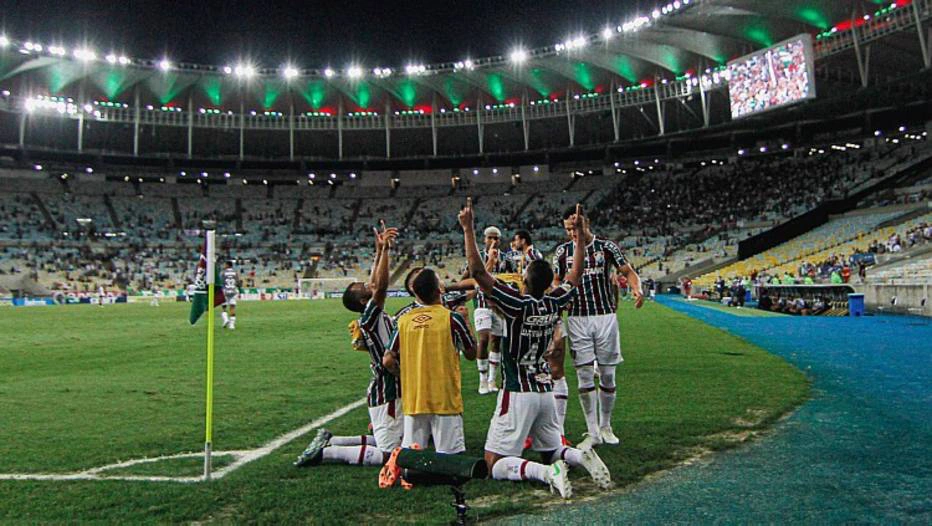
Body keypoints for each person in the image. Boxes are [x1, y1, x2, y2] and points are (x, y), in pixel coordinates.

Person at [461, 200, 611, 498]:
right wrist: (580, 239)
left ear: (526, 280)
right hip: (545, 391)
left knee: (494, 464)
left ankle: (548, 473)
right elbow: (575, 276)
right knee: (551, 448)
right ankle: (578, 457)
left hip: (517, 391)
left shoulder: (517, 304)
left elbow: (479, 273)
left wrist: (467, 229)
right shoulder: (554, 302)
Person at [296, 226, 402, 468]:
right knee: (389, 455)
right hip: (388, 389)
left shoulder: (371, 314)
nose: (369, 283)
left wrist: (378, 251)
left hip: (385, 389)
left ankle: (332, 440)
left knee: (399, 440)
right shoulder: (371, 315)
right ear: (365, 301)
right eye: (365, 287)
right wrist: (385, 251)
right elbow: (381, 287)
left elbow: (376, 284)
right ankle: (326, 454)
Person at [553, 206, 643, 449]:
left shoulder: (607, 247)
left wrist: (637, 288)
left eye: (576, 227)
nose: (573, 232)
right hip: (577, 317)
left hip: (605, 317)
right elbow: (556, 282)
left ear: (586, 222)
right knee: (583, 375)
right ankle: (592, 430)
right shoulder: (562, 252)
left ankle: (606, 425)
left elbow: (628, 271)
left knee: (607, 374)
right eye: (568, 229)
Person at [383, 267, 477, 455]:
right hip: (444, 397)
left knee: (412, 457)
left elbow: (387, 360)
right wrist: (467, 321)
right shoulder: (452, 318)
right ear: (439, 290)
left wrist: (404, 375)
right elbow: (471, 353)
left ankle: (414, 479)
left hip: (414, 396)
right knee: (450, 457)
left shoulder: (403, 320)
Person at [472, 226, 509, 395]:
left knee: (496, 342)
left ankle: (492, 379)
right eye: (490, 238)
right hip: (481, 304)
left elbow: (510, 279)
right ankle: (482, 380)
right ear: (485, 239)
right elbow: (474, 278)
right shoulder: (476, 257)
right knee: (484, 339)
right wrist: (490, 262)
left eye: (496, 239)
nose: (494, 241)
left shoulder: (506, 259)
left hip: (499, 306)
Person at [220, 260, 239, 330]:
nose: (224, 266)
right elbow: (238, 282)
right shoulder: (235, 273)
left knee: (224, 307)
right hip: (233, 291)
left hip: (225, 291)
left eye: (225, 264)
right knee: (232, 307)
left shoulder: (223, 273)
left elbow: (220, 282)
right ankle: (232, 325)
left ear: (228, 265)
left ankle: (225, 319)